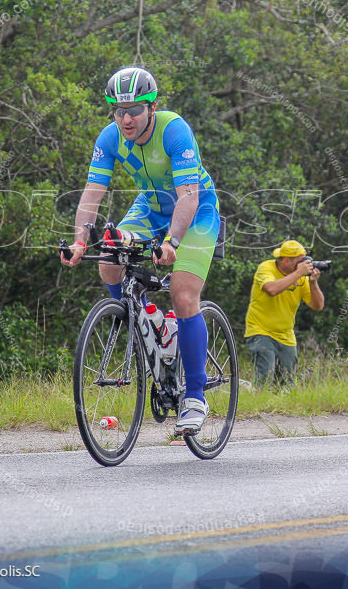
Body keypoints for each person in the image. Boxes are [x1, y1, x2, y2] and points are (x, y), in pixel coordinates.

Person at [60, 67, 220, 434]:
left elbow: (188, 196)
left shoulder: (173, 129)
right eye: (118, 110)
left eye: (133, 109)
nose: (125, 118)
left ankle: (194, 395)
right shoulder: (111, 137)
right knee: (109, 262)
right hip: (149, 207)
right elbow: (92, 195)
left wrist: (172, 243)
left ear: (152, 106)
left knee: (182, 293)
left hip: (195, 212)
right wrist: (80, 241)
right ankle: (150, 323)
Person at [244, 240, 325, 386]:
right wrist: (299, 273)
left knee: (287, 384)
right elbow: (271, 289)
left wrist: (313, 283)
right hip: (260, 330)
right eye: (301, 261)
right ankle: (259, 407)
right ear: (287, 260)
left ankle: (280, 409)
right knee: (265, 379)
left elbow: (318, 305)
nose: (305, 264)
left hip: (286, 335)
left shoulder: (301, 278)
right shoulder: (266, 268)